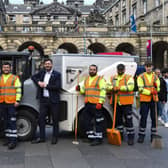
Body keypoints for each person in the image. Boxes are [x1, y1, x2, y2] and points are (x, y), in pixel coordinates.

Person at [31, 58, 61, 144]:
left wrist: (46, 85)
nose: (47, 65)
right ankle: (42, 137)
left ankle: (55, 137)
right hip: (43, 100)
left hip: (53, 100)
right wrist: (38, 82)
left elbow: (57, 86)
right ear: (44, 65)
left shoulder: (57, 74)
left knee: (55, 119)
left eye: (49, 64)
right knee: (41, 119)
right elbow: (33, 77)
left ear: (52, 65)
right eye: (46, 64)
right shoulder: (42, 72)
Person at [76, 64, 106, 146]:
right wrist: (79, 89)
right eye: (91, 69)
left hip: (96, 104)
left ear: (96, 71)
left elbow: (103, 91)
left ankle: (99, 139)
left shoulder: (100, 79)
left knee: (98, 121)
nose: (92, 71)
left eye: (93, 70)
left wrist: (100, 102)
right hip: (88, 103)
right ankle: (91, 137)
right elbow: (84, 91)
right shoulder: (87, 79)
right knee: (87, 121)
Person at [106, 63, 135, 145]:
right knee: (118, 121)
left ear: (124, 70)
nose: (120, 71)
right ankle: (120, 135)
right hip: (116, 102)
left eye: (122, 69)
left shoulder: (128, 78)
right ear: (117, 70)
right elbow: (107, 86)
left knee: (128, 120)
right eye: (119, 69)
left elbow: (130, 87)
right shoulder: (113, 78)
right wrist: (112, 88)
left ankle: (131, 137)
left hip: (126, 102)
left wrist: (118, 88)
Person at [137, 61, 160, 143]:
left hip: (154, 100)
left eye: (150, 66)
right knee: (143, 118)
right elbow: (140, 89)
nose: (148, 68)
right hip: (144, 100)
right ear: (145, 67)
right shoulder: (141, 77)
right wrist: (150, 92)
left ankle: (153, 136)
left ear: (152, 67)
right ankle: (141, 135)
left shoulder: (155, 77)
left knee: (154, 118)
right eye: (147, 66)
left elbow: (158, 88)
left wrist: (157, 88)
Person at [0, 62, 22, 149]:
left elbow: (18, 89)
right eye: (4, 67)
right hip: (2, 103)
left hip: (11, 103)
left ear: (10, 68)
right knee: (5, 121)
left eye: (7, 67)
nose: (6, 69)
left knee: (12, 121)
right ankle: (8, 139)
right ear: (2, 68)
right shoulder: (0, 78)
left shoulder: (14, 78)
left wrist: (17, 100)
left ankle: (13, 141)